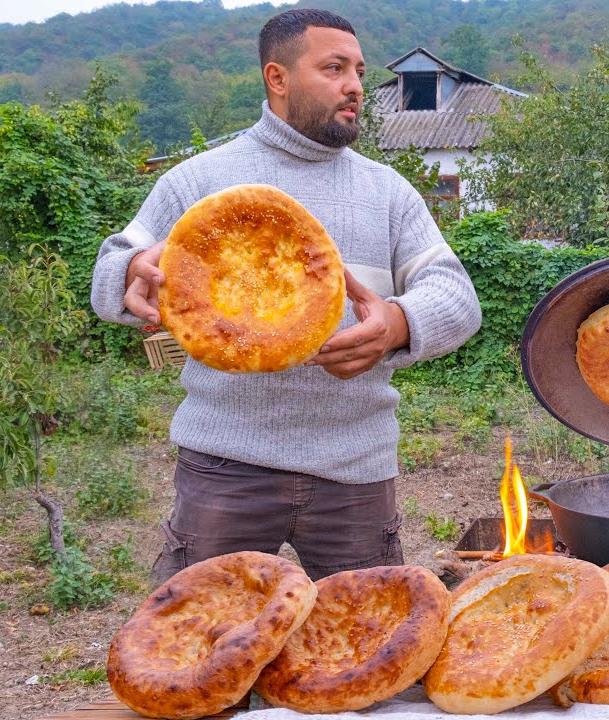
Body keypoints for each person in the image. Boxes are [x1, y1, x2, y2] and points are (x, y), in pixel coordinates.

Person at [91, 9, 482, 583]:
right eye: (334, 68)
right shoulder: (199, 182)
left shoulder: (388, 193)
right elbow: (110, 271)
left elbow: (457, 297)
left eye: (359, 71)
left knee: (360, 634)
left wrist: (397, 323)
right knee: (207, 632)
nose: (355, 86)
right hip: (226, 467)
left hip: (354, 471)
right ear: (277, 78)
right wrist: (131, 270)